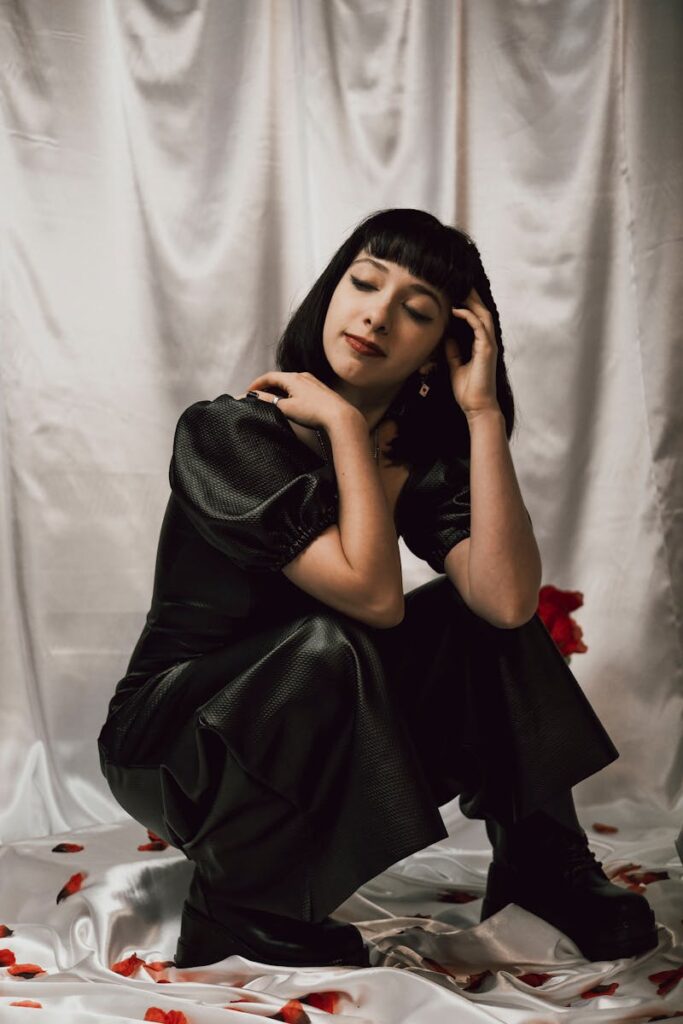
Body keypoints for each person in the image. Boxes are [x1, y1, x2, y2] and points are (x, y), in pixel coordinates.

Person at [97, 208, 657, 969]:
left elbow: (506, 603)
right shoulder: (227, 435)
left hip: (321, 713)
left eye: (416, 310)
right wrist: (344, 428)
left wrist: (481, 412)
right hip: (175, 741)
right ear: (333, 291)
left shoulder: (417, 457)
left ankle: (540, 865)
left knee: (470, 619)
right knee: (327, 642)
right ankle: (238, 907)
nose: (377, 315)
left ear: (441, 347)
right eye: (364, 283)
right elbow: (372, 598)